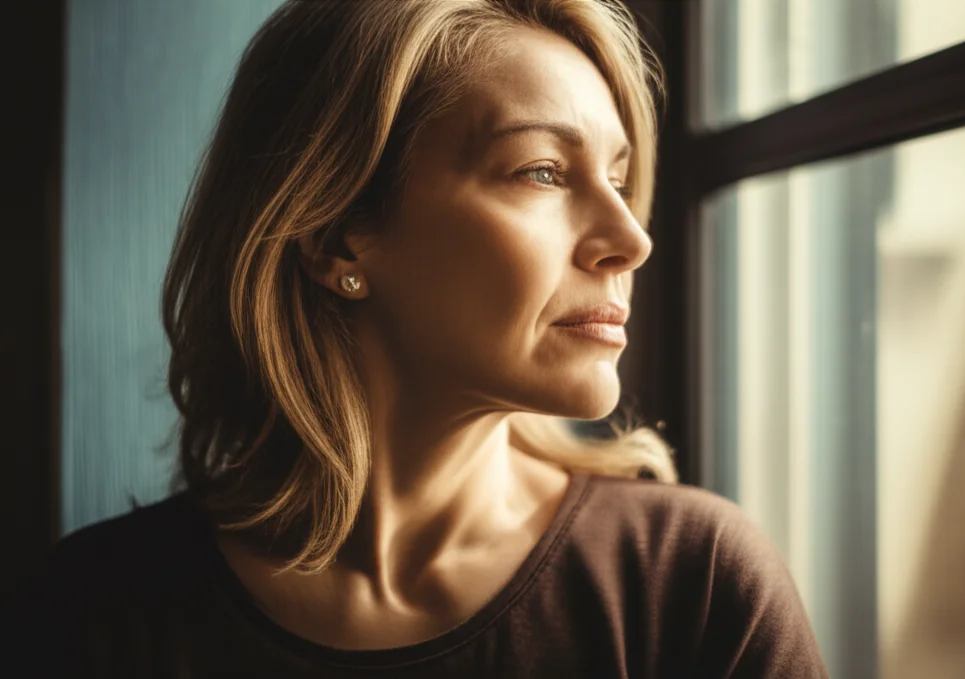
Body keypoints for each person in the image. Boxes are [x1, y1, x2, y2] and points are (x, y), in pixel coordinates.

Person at [7, 0, 829, 676]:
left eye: (617, 179)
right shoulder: (94, 613)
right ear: (335, 235)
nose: (631, 238)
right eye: (542, 171)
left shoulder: (693, 584)